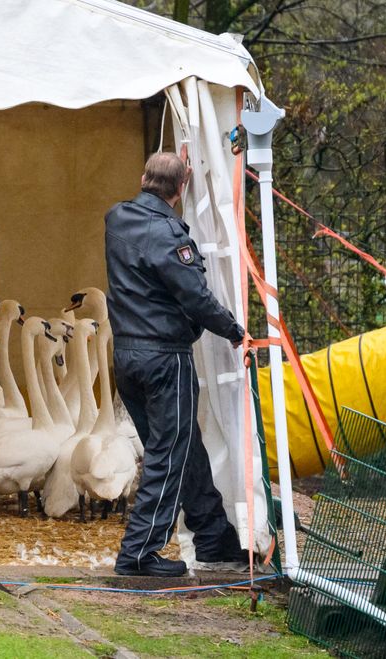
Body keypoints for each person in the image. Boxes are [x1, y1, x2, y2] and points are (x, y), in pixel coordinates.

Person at [107, 151, 247, 577]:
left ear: (143, 177)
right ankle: (138, 553)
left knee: (180, 448)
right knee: (168, 455)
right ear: (182, 189)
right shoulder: (171, 236)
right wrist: (235, 331)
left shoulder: (116, 218)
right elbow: (196, 297)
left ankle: (212, 536)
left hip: (127, 356)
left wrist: (173, 168)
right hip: (165, 358)